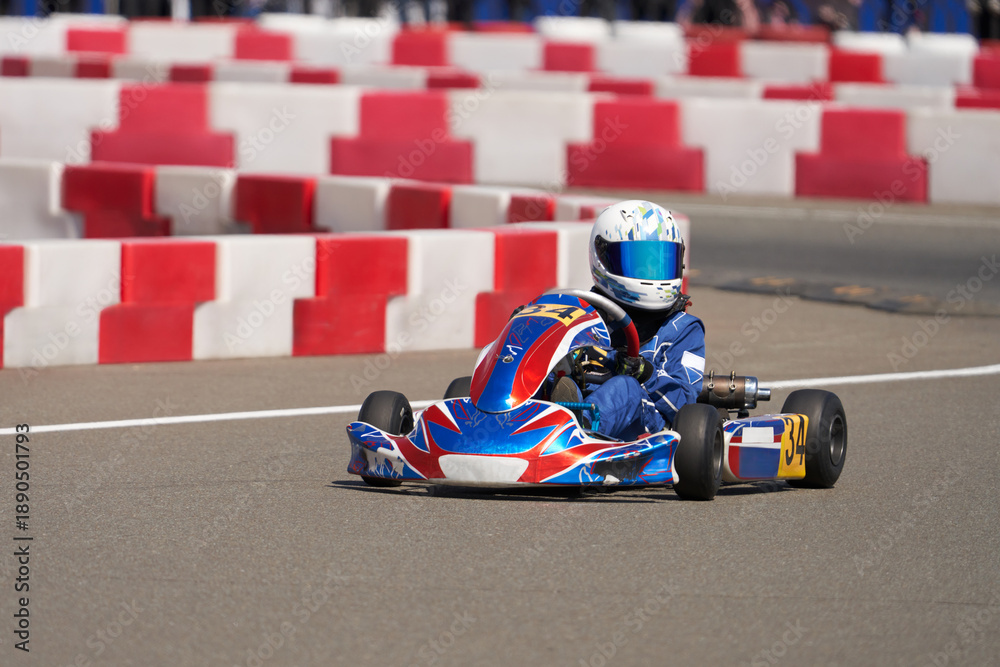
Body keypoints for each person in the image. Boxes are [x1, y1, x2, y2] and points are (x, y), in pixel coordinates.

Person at [552, 201, 706, 440]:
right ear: (604, 258)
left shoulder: (684, 328)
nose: (651, 275)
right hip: (579, 398)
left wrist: (646, 373)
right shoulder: (581, 314)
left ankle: (575, 431)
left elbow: (685, 404)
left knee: (625, 387)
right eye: (639, 263)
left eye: (659, 263)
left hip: (646, 424)